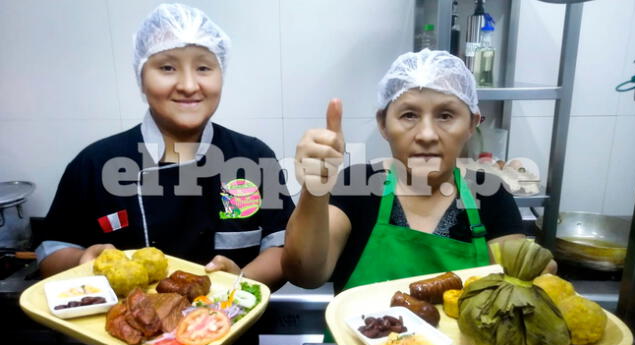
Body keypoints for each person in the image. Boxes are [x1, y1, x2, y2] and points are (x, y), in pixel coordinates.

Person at [36, 3, 293, 292]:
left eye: (204, 68)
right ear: (141, 78)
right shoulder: (95, 163)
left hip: (231, 327)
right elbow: (51, 251)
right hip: (122, 333)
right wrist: (82, 260)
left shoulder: (252, 158)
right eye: (167, 67)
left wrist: (237, 285)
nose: (187, 85)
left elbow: (281, 247)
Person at [283, 49, 554, 294]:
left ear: (471, 124)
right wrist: (314, 190)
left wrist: (533, 272)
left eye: (446, 115)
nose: (426, 134)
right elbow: (305, 274)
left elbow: (513, 280)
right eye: (409, 115)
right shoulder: (359, 184)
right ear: (383, 124)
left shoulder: (490, 193)